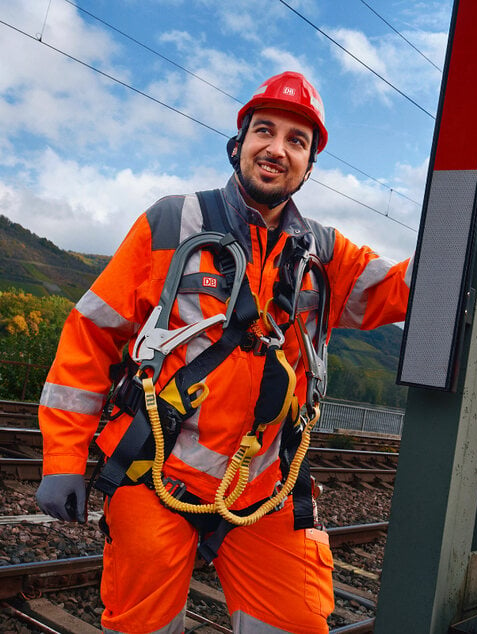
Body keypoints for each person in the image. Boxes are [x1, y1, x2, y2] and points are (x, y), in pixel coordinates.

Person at [35, 71, 411, 633]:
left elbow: (412, 290)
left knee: (296, 622)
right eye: (266, 131)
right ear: (240, 144)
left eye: (296, 140)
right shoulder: (171, 224)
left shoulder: (326, 257)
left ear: (309, 166)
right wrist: (63, 459)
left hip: (265, 488)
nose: (277, 149)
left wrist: (470, 218)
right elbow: (91, 336)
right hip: (154, 474)